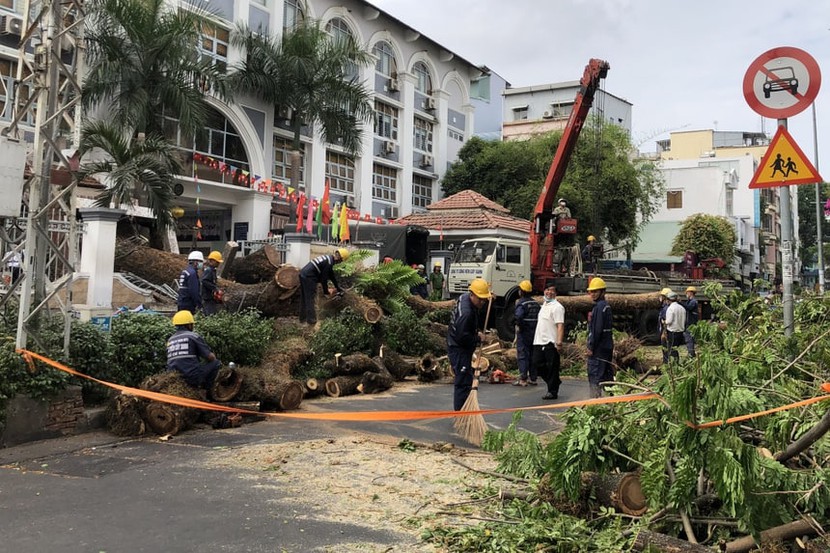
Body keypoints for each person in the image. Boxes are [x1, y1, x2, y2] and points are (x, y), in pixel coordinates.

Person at [447, 278, 490, 410]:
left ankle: (464, 410)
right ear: (472, 294)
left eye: (484, 299)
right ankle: (461, 413)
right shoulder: (466, 314)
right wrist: (478, 338)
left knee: (466, 379)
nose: (482, 302)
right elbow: (463, 337)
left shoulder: (464, 298)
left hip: (455, 341)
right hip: (458, 347)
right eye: (480, 299)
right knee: (463, 382)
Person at [166, 310, 221, 391]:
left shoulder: (170, 340)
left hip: (174, 377)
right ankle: (207, 391)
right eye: (192, 324)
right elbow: (210, 357)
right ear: (188, 324)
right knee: (216, 363)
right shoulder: (193, 336)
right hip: (191, 377)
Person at [532, 280, 565, 400]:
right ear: (544, 291)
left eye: (552, 290)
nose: (549, 292)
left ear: (556, 293)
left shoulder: (557, 307)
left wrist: (559, 342)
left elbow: (560, 325)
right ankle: (555, 382)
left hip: (551, 342)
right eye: (547, 290)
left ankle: (552, 391)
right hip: (539, 341)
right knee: (536, 364)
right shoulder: (543, 305)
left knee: (552, 367)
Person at [299, 248, 348, 326]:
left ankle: (302, 318)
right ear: (340, 259)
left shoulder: (328, 259)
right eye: (341, 261)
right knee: (310, 298)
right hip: (309, 277)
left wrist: (338, 288)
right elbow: (323, 279)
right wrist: (326, 292)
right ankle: (311, 321)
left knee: (304, 297)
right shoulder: (329, 263)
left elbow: (331, 275)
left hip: (303, 273)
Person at [586, 277, 613, 398]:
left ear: (602, 292)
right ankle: (610, 401)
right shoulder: (606, 306)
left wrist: (591, 346)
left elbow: (596, 330)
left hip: (599, 348)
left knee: (595, 375)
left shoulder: (599, 308)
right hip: (607, 346)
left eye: (595, 291)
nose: (592, 294)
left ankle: (595, 402)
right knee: (607, 375)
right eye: (591, 291)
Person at [513, 280, 541, 387]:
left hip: (524, 333)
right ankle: (533, 378)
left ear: (521, 291)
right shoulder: (535, 303)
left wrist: (520, 326)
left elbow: (519, 317)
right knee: (533, 355)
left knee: (523, 354)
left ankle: (523, 378)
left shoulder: (521, 303)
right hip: (535, 333)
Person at [664, 291, 686, 363]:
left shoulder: (670, 308)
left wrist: (664, 322)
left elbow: (669, 321)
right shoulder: (682, 308)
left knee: (672, 350)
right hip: (680, 331)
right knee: (675, 349)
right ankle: (676, 364)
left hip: (673, 332)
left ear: (669, 300)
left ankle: (674, 365)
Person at [200, 251, 224, 316]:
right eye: (217, 262)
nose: (218, 264)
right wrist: (215, 288)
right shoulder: (208, 270)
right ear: (212, 261)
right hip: (207, 298)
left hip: (210, 297)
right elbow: (204, 281)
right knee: (209, 315)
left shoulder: (213, 270)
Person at [683, 286, 699, 358]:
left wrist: (680, 303)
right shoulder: (689, 301)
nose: (686, 294)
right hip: (689, 323)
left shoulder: (693, 301)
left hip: (691, 323)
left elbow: (688, 307)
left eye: (687, 292)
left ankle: (691, 354)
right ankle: (691, 353)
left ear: (691, 293)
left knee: (689, 339)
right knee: (689, 338)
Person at [658, 287, 672, 365]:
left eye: (662, 296)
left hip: (665, 331)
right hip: (664, 330)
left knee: (666, 348)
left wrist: (664, 332)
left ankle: (666, 363)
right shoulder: (664, 306)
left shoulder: (666, 308)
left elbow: (665, 320)